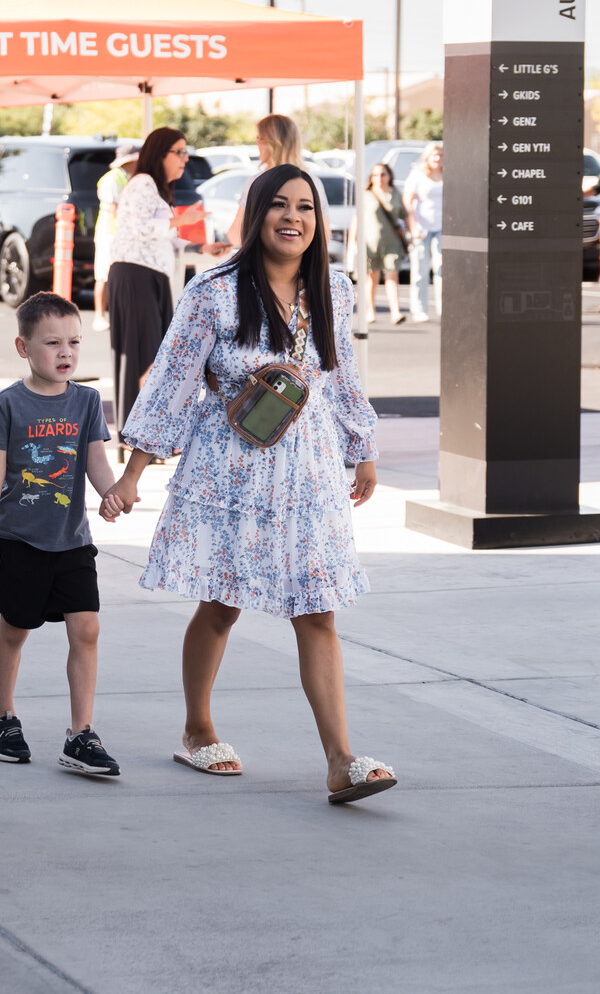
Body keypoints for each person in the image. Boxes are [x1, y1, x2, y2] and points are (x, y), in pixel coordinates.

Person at [101, 165, 397, 804]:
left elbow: (339, 375)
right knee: (221, 602)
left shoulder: (334, 291)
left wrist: (361, 448)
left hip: (310, 472)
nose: (294, 219)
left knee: (318, 610)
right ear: (258, 213)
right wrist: (131, 474)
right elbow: (173, 381)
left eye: (307, 209)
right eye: (281, 206)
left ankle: (341, 759)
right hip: (230, 471)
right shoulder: (214, 291)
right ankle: (196, 728)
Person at [0, 291, 120, 776]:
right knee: (15, 630)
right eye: (52, 343)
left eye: (74, 343)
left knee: (88, 628)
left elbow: (95, 460)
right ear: (23, 346)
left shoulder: (86, 401)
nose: (65, 353)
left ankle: (80, 733)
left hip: (72, 541)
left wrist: (110, 492)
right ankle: (3, 718)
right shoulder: (8, 404)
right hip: (19, 540)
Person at [107, 127, 191, 456]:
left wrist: (201, 243)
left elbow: (163, 239)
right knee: (141, 355)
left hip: (152, 275)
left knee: (155, 355)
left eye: (186, 152)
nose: (185, 159)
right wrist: (181, 221)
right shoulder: (141, 182)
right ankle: (134, 434)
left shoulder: (156, 189)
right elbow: (142, 228)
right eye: (179, 152)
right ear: (161, 154)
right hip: (134, 274)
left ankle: (148, 433)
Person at [215, 113, 330, 254]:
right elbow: (324, 236)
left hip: (264, 267)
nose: (257, 144)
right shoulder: (313, 183)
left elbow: (237, 235)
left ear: (270, 143)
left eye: (259, 138)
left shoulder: (259, 182)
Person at [351, 162, 409, 325]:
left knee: (392, 275)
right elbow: (357, 218)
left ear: (389, 176)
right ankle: (370, 311)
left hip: (392, 242)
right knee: (372, 278)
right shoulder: (366, 194)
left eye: (383, 174)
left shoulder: (396, 193)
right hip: (370, 242)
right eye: (375, 175)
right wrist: (352, 241)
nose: (379, 178)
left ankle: (395, 311)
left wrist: (412, 234)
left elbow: (405, 215)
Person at [91, 142, 138, 331]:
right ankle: (99, 316)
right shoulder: (111, 180)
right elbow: (114, 209)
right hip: (109, 234)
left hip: (122, 234)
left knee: (119, 275)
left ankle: (118, 315)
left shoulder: (128, 178)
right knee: (104, 275)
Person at [404, 142, 443, 321]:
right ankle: (419, 308)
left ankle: (444, 307)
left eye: (440, 155)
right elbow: (408, 202)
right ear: (427, 158)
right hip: (422, 228)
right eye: (434, 155)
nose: (438, 158)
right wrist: (413, 227)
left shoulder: (447, 175)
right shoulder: (418, 175)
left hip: (442, 228)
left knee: (442, 267)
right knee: (420, 269)